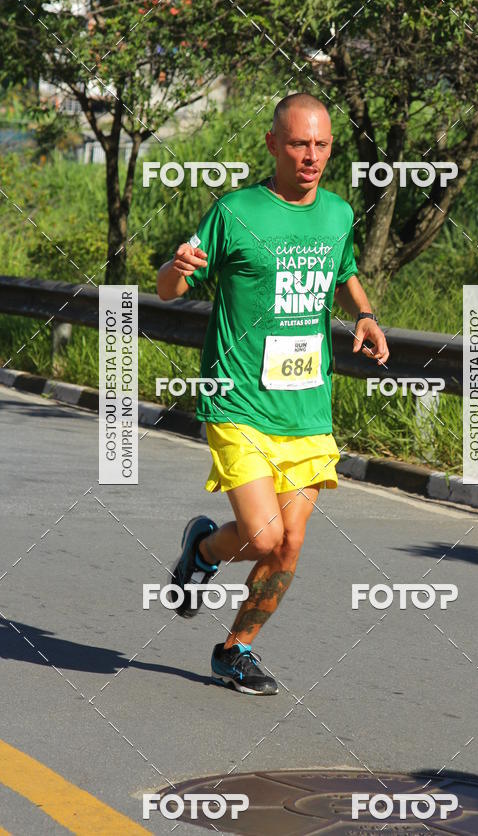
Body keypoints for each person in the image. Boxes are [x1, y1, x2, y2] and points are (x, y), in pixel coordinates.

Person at [156, 92, 389, 695]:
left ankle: (235, 650)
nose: (311, 156)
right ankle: (204, 550)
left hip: (307, 406)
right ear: (272, 145)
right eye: (298, 144)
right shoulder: (235, 212)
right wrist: (177, 268)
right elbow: (167, 290)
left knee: (290, 545)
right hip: (237, 400)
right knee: (264, 536)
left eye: (322, 145)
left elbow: (344, 273)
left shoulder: (337, 214)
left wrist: (364, 315)